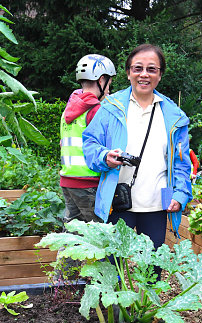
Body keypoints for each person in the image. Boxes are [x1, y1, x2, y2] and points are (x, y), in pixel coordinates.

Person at [82, 44, 192, 268]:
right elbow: (90, 143)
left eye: (152, 69)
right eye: (138, 68)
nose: (144, 74)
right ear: (128, 72)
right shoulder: (110, 108)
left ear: (160, 75)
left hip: (157, 206)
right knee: (113, 269)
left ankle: (145, 305)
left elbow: (181, 162)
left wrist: (180, 193)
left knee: (151, 271)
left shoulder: (173, 115)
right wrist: (104, 157)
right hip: (118, 203)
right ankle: (114, 306)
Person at [60, 54, 116, 224]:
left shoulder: (69, 108)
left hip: (68, 180)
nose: (109, 90)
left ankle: (62, 252)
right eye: (109, 83)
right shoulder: (95, 111)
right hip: (88, 182)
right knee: (98, 235)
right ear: (101, 80)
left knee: (72, 234)